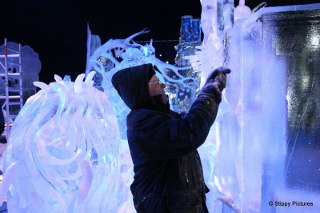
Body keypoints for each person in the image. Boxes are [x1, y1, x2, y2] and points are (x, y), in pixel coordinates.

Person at [111, 63, 230, 213]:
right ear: (141, 91)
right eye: (156, 82)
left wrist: (208, 89)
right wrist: (208, 94)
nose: (163, 86)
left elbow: (193, 121)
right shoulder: (142, 123)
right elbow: (190, 131)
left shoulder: (164, 117)